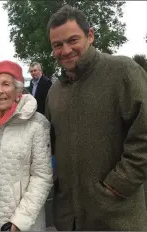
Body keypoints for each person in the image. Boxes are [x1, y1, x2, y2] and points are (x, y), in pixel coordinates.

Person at [45, 5, 147, 231]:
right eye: (57, 45)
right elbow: (48, 146)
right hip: (68, 219)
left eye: (73, 40)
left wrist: (117, 185)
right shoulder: (54, 92)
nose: (66, 50)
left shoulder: (123, 72)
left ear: (90, 35)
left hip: (117, 218)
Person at [0, 60, 53, 231]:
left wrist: (20, 221)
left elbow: (42, 177)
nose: (0, 90)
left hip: (21, 223)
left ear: (17, 90)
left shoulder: (37, 124)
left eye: (6, 84)